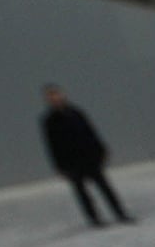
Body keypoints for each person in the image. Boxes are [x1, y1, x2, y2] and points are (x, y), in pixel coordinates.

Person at [39, 84, 134, 227]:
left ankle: (120, 213)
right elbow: (51, 146)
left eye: (57, 94)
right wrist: (59, 166)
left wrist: (101, 150)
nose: (55, 98)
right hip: (71, 162)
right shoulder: (48, 121)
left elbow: (91, 132)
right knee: (82, 193)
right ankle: (95, 220)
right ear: (47, 100)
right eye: (51, 96)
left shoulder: (76, 112)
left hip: (89, 157)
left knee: (105, 188)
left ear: (63, 95)